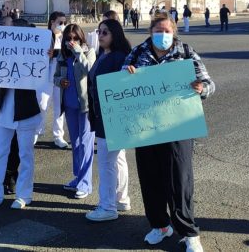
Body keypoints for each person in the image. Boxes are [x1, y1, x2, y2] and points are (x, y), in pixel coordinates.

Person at [124, 13, 215, 251]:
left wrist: (200, 88)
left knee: (180, 179)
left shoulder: (185, 51)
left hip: (178, 126)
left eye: (167, 30)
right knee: (150, 177)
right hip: (146, 127)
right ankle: (160, 225)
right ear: (150, 31)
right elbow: (121, 83)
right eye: (158, 30)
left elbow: (209, 83)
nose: (163, 35)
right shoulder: (137, 53)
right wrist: (128, 75)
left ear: (173, 31)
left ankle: (189, 232)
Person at [0, 20, 42, 211]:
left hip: (26, 112)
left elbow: (42, 77)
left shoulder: (34, 56)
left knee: (25, 154)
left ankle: (24, 195)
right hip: (4, 110)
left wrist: (46, 57)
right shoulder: (2, 55)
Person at [86, 19, 132, 222]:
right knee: (117, 159)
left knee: (106, 162)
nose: (101, 35)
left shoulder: (119, 57)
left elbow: (125, 85)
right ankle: (121, 199)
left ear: (115, 34)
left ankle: (107, 207)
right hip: (102, 116)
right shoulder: (102, 54)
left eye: (105, 32)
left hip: (112, 117)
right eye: (99, 31)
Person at [54, 24, 96, 199]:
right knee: (76, 142)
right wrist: (60, 81)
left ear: (81, 38)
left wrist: (78, 51)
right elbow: (55, 76)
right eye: (68, 39)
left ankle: (85, 184)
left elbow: (91, 71)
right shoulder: (62, 56)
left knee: (86, 144)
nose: (71, 42)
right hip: (69, 104)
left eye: (75, 38)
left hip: (85, 106)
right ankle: (78, 177)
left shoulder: (89, 52)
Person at [37, 11, 69, 149]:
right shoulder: (44, 37)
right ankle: (37, 131)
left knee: (59, 108)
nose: (62, 25)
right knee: (42, 104)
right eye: (60, 23)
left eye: (64, 23)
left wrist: (55, 53)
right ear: (52, 22)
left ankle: (58, 136)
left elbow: (68, 53)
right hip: (44, 77)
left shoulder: (66, 38)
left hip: (60, 77)